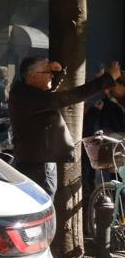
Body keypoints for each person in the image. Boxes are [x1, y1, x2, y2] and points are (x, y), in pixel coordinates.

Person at [8, 57, 118, 197]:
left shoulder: (25, 92)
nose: (51, 76)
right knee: (43, 206)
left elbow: (50, 93)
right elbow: (66, 98)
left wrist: (59, 72)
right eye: (48, 72)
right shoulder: (27, 97)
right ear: (33, 76)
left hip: (38, 161)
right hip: (37, 165)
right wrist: (107, 78)